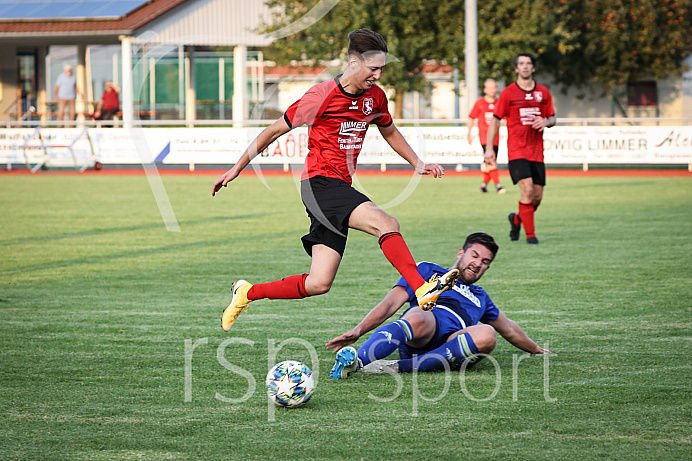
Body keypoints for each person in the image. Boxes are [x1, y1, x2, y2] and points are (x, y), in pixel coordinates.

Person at [212, 29, 459, 332]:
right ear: (354, 62)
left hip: (338, 188)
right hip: (319, 184)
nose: (378, 75)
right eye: (373, 68)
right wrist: (237, 167)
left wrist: (417, 162)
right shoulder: (320, 96)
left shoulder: (375, 97)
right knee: (387, 223)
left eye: (382, 68)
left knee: (319, 283)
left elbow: (390, 131)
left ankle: (246, 292)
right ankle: (421, 288)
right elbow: (273, 131)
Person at [327, 232, 549, 378]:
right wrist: (358, 330)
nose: (478, 264)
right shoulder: (428, 270)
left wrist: (535, 349)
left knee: (488, 334)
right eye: (474, 256)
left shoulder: (480, 296)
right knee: (420, 313)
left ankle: (393, 367)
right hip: (421, 332)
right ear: (461, 253)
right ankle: (356, 363)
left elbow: (508, 328)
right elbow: (390, 303)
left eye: (485, 262)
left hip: (452, 346)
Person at [485, 53, 556, 244]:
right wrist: (489, 149)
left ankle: (517, 219)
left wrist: (546, 121)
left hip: (537, 152)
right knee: (527, 189)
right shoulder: (508, 93)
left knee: (537, 197)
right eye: (521, 64)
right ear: (516, 68)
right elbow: (495, 121)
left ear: (533, 68)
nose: (525, 67)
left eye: (528, 64)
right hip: (517, 151)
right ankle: (531, 236)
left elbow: (553, 118)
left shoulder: (543, 92)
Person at [468, 79, 505, 194]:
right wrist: (469, 133)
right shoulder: (479, 103)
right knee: (491, 162)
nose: (492, 90)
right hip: (484, 138)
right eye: (489, 87)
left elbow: (506, 118)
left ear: (497, 89)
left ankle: (483, 186)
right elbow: (472, 117)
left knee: (490, 164)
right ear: (485, 90)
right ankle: (498, 186)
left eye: (494, 87)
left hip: (496, 138)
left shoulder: (499, 103)